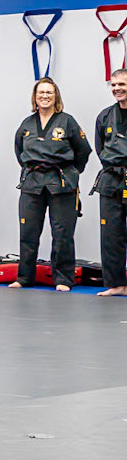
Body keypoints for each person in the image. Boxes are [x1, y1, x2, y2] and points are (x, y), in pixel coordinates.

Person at [11, 78, 89, 292]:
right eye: (41, 92)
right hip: (32, 183)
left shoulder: (67, 121)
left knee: (62, 233)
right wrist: (32, 169)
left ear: (56, 97)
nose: (45, 96)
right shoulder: (27, 124)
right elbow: (19, 150)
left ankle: (63, 279)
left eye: (49, 92)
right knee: (28, 232)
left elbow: (83, 150)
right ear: (35, 97)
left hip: (61, 182)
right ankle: (24, 277)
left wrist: (71, 173)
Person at [92, 69, 127, 297]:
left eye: (121, 84)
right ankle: (117, 284)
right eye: (113, 85)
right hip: (112, 180)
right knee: (111, 235)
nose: (117, 89)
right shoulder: (105, 116)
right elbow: (100, 148)